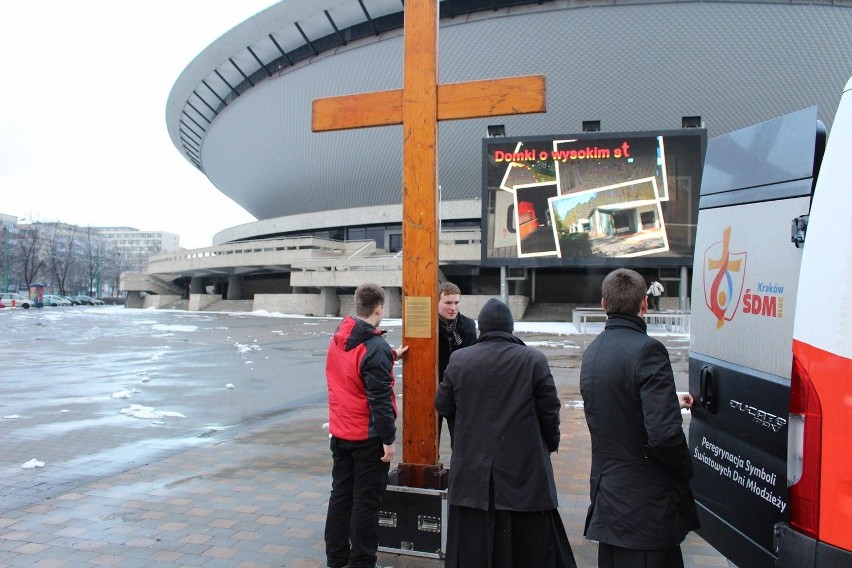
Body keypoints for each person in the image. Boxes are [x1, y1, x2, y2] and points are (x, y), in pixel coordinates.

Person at [435, 298, 577, 568]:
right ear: (511, 330)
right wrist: (550, 443)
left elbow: (442, 404)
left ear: (481, 329)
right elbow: (550, 411)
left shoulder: (460, 359)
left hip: (473, 477)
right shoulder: (533, 360)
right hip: (524, 474)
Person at [580, 268, 698, 568]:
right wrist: (685, 469)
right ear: (644, 303)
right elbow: (664, 435)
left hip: (609, 499)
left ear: (603, 304)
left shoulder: (593, 352)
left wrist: (669, 403)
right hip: (646, 509)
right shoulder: (648, 351)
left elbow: (616, 406)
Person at [324, 283, 408, 568]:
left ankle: (336, 560)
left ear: (356, 305)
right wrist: (389, 439)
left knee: (340, 497)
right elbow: (380, 400)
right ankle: (362, 562)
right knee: (366, 503)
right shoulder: (374, 347)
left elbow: (354, 370)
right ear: (379, 308)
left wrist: (389, 356)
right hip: (367, 437)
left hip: (341, 432)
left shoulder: (340, 337)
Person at [436, 281, 477, 447]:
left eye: (456, 303)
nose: (453, 308)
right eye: (448, 303)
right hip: (435, 388)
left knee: (461, 441)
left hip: (460, 390)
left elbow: (473, 358)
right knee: (429, 439)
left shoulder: (467, 325)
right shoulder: (429, 326)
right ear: (437, 303)